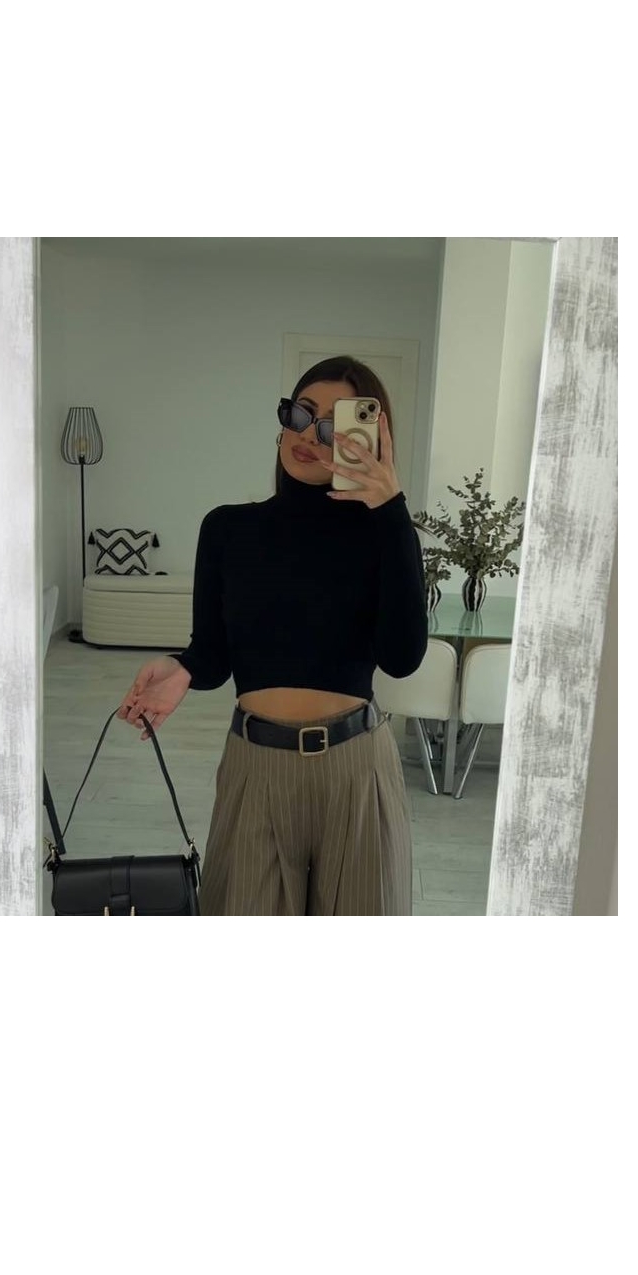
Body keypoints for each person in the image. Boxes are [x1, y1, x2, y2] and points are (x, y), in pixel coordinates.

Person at [116, 356, 428, 915]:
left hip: (356, 769)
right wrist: (181, 668)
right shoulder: (228, 529)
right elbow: (213, 654)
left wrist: (392, 510)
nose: (309, 434)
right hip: (256, 766)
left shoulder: (383, 534)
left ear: (370, 440)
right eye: (301, 413)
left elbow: (402, 658)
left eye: (333, 426)